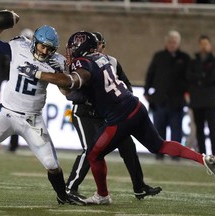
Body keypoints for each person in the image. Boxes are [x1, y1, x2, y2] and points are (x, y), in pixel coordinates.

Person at [17, 31, 215, 205]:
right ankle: (201, 158)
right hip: (136, 106)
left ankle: (102, 195)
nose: (70, 51)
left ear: (81, 47)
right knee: (159, 145)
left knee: (93, 154)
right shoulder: (104, 58)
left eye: (73, 47)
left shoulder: (84, 64)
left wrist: (38, 74)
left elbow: (74, 84)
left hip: (118, 117)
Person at [0, 24, 84, 205]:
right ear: (34, 42)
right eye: (42, 46)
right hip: (7, 114)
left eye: (49, 48)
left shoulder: (57, 62)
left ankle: (62, 195)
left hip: (32, 119)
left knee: (52, 165)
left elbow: (67, 93)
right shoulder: (18, 46)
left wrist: (58, 77)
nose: (44, 51)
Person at [65, 31, 162, 200]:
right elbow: (73, 94)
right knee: (91, 150)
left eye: (100, 45)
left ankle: (139, 187)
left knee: (128, 147)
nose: (97, 48)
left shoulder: (111, 62)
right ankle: (70, 187)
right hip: (85, 112)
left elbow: (127, 86)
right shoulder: (80, 63)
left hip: (108, 114)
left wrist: (119, 100)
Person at [144, 30, 190, 160]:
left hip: (177, 102)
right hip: (160, 101)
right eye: (170, 41)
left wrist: (187, 94)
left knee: (176, 131)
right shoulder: (158, 56)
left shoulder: (185, 58)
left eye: (174, 42)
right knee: (158, 130)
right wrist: (146, 92)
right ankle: (159, 154)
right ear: (166, 42)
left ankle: (176, 155)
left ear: (178, 43)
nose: (172, 44)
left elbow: (189, 79)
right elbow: (150, 75)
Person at [186, 35, 215, 158]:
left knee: (212, 129)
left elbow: (213, 78)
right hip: (197, 101)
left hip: (210, 101)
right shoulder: (193, 62)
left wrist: (199, 79)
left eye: (206, 44)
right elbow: (189, 77)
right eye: (201, 44)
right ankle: (203, 155)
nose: (203, 46)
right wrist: (202, 77)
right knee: (199, 129)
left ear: (210, 45)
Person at [8, 28, 34, 153]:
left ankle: (38, 147)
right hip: (16, 92)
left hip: (31, 96)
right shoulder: (15, 51)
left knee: (33, 122)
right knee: (12, 118)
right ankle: (13, 145)